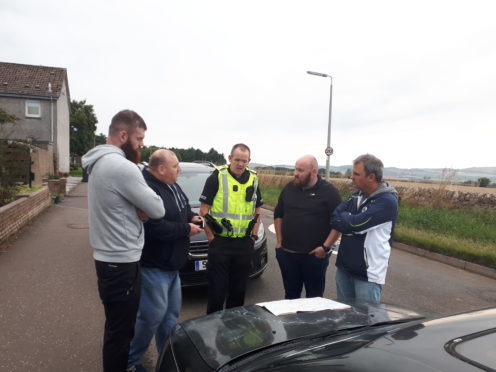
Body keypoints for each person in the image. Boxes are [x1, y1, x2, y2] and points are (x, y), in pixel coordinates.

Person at [82, 110, 165, 372]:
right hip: (122, 263)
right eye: (139, 138)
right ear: (123, 135)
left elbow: (126, 206)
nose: (141, 144)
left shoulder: (97, 162)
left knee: (115, 328)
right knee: (120, 333)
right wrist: (141, 210)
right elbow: (158, 208)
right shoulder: (121, 167)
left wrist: (137, 209)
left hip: (108, 260)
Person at [127, 149, 204, 371]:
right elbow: (152, 227)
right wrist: (185, 228)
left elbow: (183, 207)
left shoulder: (173, 184)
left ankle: (166, 358)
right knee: (150, 317)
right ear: (161, 169)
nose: (179, 169)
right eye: (175, 166)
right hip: (154, 266)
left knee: (170, 316)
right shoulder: (147, 189)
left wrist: (192, 217)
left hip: (173, 267)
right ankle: (130, 361)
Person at [199, 143, 263, 314]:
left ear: (249, 160)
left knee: (238, 293)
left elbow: (257, 211)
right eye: (237, 160)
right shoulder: (217, 177)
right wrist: (211, 238)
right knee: (217, 293)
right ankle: (212, 329)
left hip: (243, 244)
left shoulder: (254, 179)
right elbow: (203, 210)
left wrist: (254, 236)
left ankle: (233, 333)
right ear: (229, 159)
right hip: (220, 243)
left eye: (244, 160)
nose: (241, 164)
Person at [331, 154, 398, 304]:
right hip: (344, 268)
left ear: (371, 177)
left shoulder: (387, 201)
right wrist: (350, 220)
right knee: (344, 318)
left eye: (356, 174)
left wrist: (348, 220)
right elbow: (335, 217)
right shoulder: (356, 195)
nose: (351, 177)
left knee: (366, 322)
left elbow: (356, 224)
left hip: (367, 275)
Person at [274, 155, 342, 299]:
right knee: (291, 295)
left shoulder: (329, 192)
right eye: (295, 169)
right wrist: (279, 242)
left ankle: (311, 322)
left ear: (314, 171)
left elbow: (338, 223)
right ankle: (292, 322)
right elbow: (278, 214)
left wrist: (325, 247)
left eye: (300, 170)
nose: (296, 173)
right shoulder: (289, 188)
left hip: (314, 257)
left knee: (314, 298)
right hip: (287, 254)